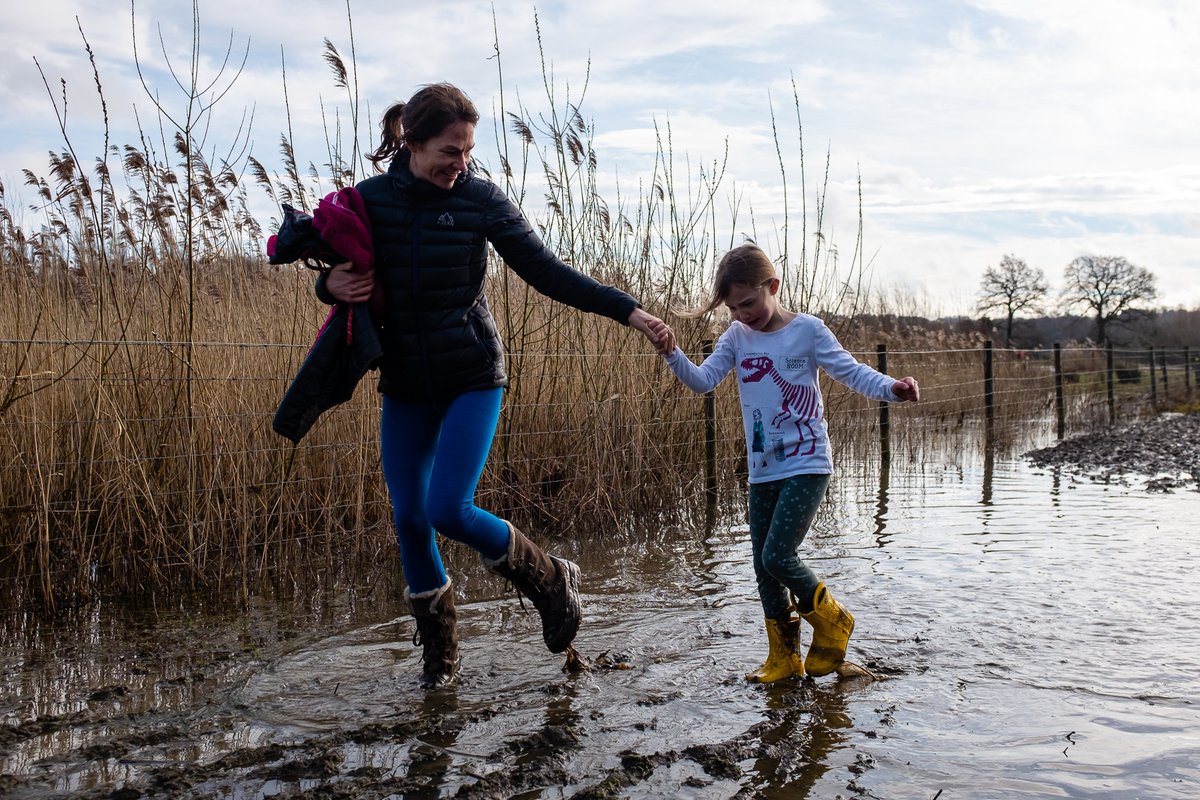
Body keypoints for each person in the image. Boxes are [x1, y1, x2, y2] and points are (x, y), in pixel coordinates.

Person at [319, 83, 671, 688]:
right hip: (404, 383)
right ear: (413, 142)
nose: (461, 163)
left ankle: (552, 578)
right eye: (450, 151)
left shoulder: (481, 200)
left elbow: (548, 273)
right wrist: (328, 286)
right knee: (409, 519)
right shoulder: (369, 201)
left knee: (446, 508)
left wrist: (629, 311)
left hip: (472, 376)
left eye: (467, 151)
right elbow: (333, 271)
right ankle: (441, 657)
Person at [649, 244, 918, 682]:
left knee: (778, 555)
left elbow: (850, 372)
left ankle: (833, 620)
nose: (742, 315)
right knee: (762, 566)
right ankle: (784, 658)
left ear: (772, 287)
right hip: (763, 467)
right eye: (733, 308)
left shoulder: (808, 330)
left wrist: (893, 388)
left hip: (807, 462)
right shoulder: (736, 337)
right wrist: (671, 352)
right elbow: (702, 381)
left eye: (749, 303)